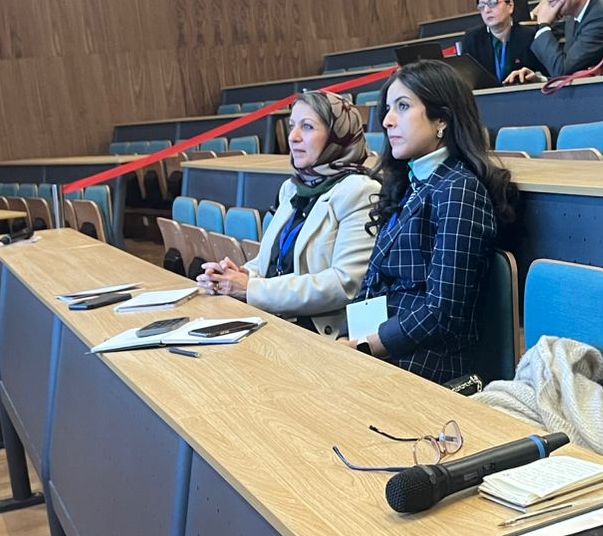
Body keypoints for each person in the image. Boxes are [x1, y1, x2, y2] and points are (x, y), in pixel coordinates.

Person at [342, 61, 517, 383]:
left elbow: (443, 312)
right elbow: (374, 282)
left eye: (403, 106)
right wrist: (346, 337)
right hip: (383, 348)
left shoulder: (458, 189)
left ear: (442, 119)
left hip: (426, 363)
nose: (387, 120)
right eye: (388, 109)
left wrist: (365, 347)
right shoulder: (410, 183)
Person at [195, 91, 380, 338]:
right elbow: (273, 261)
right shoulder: (292, 188)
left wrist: (251, 288)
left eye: (307, 126)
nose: (293, 137)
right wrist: (242, 274)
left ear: (338, 135)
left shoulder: (360, 191)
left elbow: (345, 283)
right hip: (274, 317)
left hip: (319, 333)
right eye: (292, 126)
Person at [458, 0, 542, 85]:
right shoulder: (473, 39)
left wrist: (536, 78)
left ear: (510, 6)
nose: (487, 10)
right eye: (482, 6)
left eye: (493, 3)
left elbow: (547, 75)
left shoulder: (530, 36)